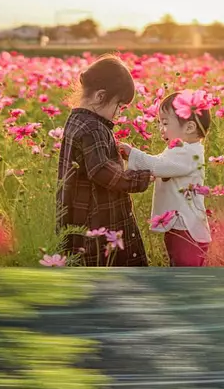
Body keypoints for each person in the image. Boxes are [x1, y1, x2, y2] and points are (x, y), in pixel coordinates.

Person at [56, 55, 153, 266]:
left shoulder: (76, 119)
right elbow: (101, 171)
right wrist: (141, 178)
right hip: (99, 219)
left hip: (80, 219)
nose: (118, 113)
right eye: (119, 105)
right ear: (100, 96)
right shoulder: (94, 128)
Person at [118, 92, 212, 267]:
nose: (161, 128)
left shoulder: (188, 153)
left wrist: (132, 153)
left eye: (165, 123)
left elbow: (159, 166)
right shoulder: (183, 149)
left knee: (183, 275)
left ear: (190, 127)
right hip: (180, 226)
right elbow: (161, 164)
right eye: (159, 123)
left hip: (186, 230)